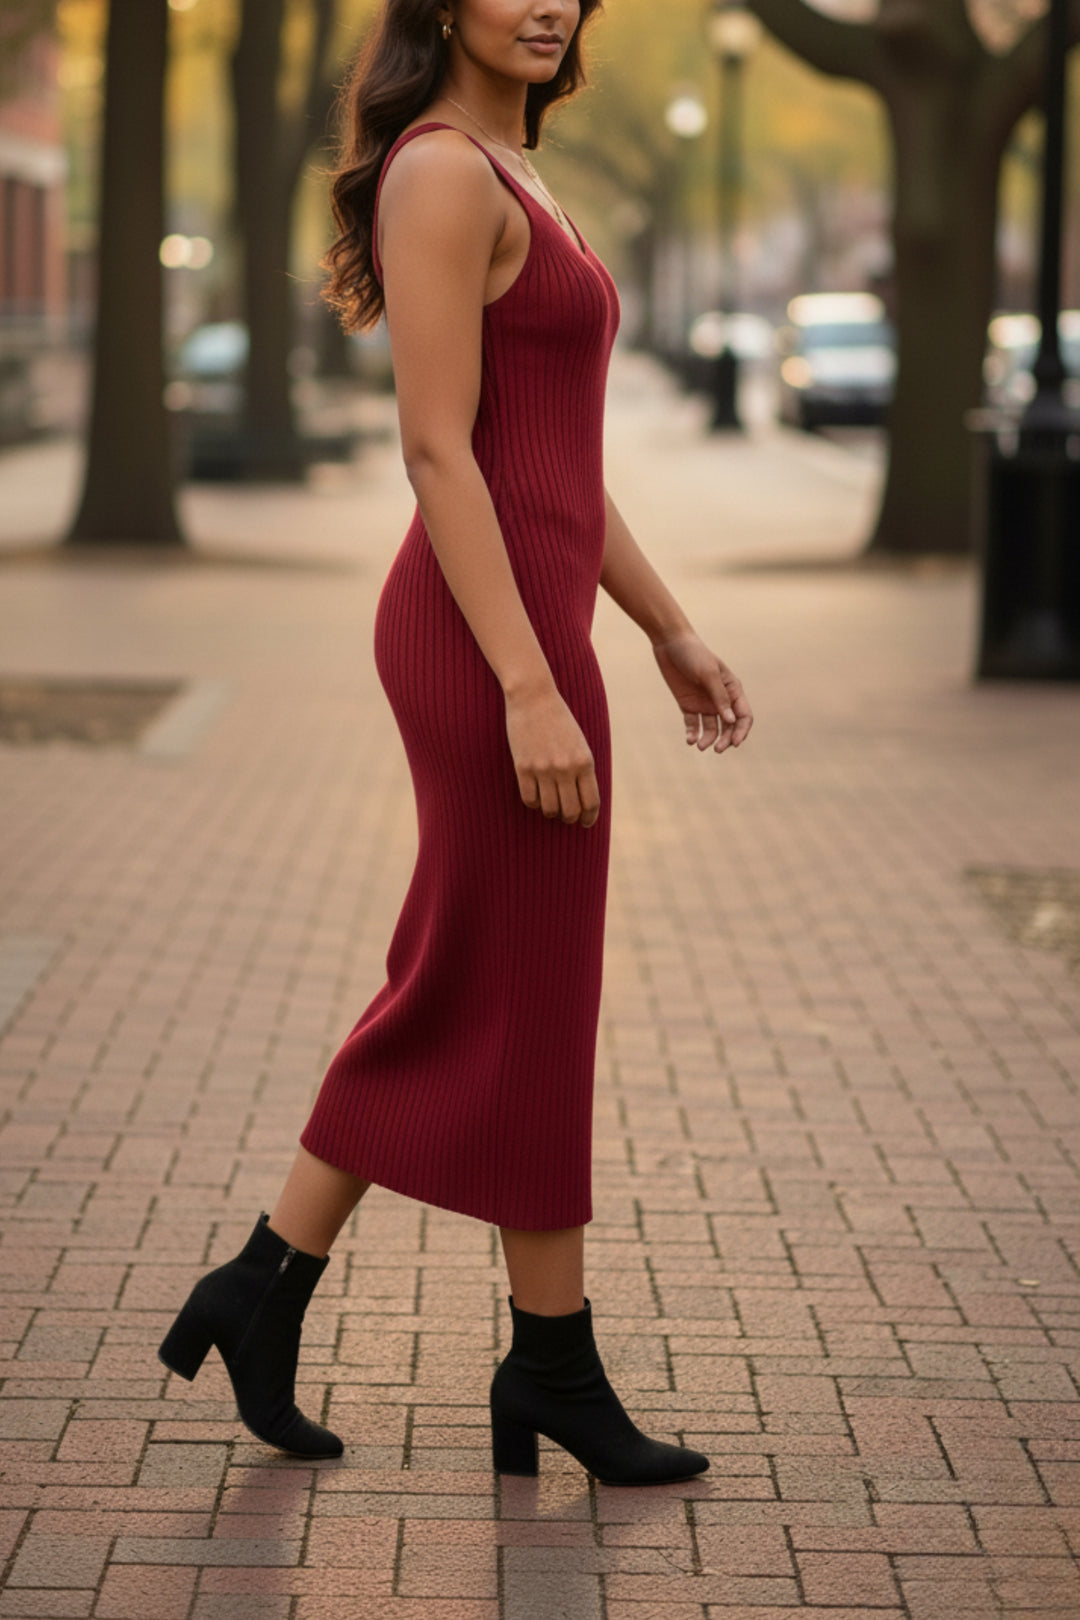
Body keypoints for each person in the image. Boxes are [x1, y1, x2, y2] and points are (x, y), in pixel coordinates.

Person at [158, 0, 753, 1487]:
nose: (548, 3)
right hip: (482, 641)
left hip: (534, 633)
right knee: (507, 979)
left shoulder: (517, 170)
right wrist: (527, 685)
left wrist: (666, 626)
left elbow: (552, 460)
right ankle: (544, 1365)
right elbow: (440, 448)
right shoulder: (443, 172)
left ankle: (268, 1291)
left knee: (486, 974)